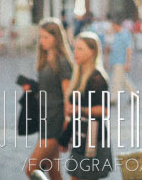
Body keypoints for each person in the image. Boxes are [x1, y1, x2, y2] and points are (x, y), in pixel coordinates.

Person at [26, 19, 74, 180]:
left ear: (56, 38)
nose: (42, 42)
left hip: (55, 118)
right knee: (53, 170)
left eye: (46, 37)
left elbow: (68, 94)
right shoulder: (45, 60)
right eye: (41, 37)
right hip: (45, 117)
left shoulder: (61, 62)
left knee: (31, 169)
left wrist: (67, 121)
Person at [65, 32, 113, 180]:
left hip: (92, 138)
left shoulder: (97, 78)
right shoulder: (79, 74)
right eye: (75, 48)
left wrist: (79, 110)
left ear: (92, 52)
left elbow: (104, 110)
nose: (75, 53)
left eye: (80, 49)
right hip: (80, 136)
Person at [106, 20, 137, 99]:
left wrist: (127, 63)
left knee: (116, 80)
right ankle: (134, 93)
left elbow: (129, 49)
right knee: (123, 79)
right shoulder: (114, 35)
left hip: (121, 61)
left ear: (116, 25)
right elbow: (110, 46)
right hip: (114, 60)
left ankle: (113, 97)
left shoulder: (125, 34)